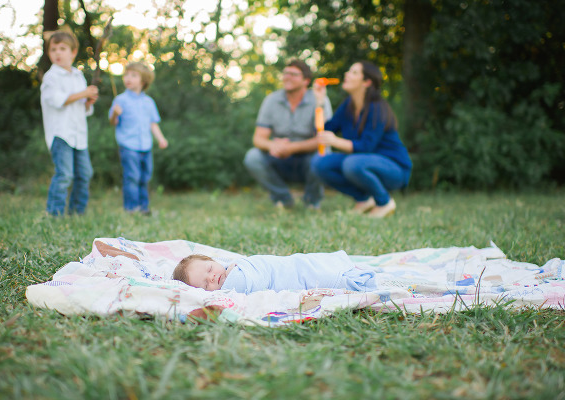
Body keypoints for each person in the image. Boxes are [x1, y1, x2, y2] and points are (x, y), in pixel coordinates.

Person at [311, 61, 411, 218]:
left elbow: (366, 147)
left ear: (366, 82)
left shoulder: (377, 108)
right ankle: (364, 200)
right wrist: (320, 101)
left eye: (354, 72)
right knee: (319, 163)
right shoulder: (347, 106)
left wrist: (336, 141)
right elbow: (325, 129)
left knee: (352, 163)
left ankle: (384, 203)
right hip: (361, 162)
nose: (347, 74)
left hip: (394, 168)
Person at [243, 59, 332, 209]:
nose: (287, 77)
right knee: (252, 157)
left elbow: (324, 139)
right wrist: (274, 145)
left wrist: (292, 147)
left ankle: (312, 201)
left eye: (293, 74)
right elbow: (258, 138)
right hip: (280, 158)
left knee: (324, 153)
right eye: (285, 73)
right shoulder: (271, 100)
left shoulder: (319, 100)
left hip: (307, 159)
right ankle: (283, 199)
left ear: (306, 80)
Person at [40, 29, 99, 216]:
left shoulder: (78, 75)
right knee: (65, 175)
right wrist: (84, 94)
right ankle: (54, 213)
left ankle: (77, 212)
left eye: (62, 48)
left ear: (73, 52)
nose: (57, 53)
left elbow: (82, 107)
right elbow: (59, 100)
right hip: (61, 133)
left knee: (85, 174)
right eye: (53, 49)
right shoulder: (51, 77)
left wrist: (88, 102)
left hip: (79, 134)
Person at [108, 62, 168, 215]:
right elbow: (113, 122)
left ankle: (144, 208)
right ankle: (131, 208)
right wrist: (115, 113)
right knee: (132, 177)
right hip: (128, 145)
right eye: (126, 75)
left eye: (133, 75)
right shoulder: (120, 100)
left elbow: (153, 124)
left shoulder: (148, 102)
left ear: (143, 81)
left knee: (144, 177)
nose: (128, 78)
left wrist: (161, 139)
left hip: (145, 146)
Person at [172, 253, 381, 293]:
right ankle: (355, 280)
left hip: (296, 265)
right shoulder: (234, 283)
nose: (212, 277)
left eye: (209, 269)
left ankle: (353, 274)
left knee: (308, 264)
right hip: (301, 278)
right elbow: (246, 284)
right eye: (205, 284)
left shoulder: (234, 266)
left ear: (213, 261)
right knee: (330, 279)